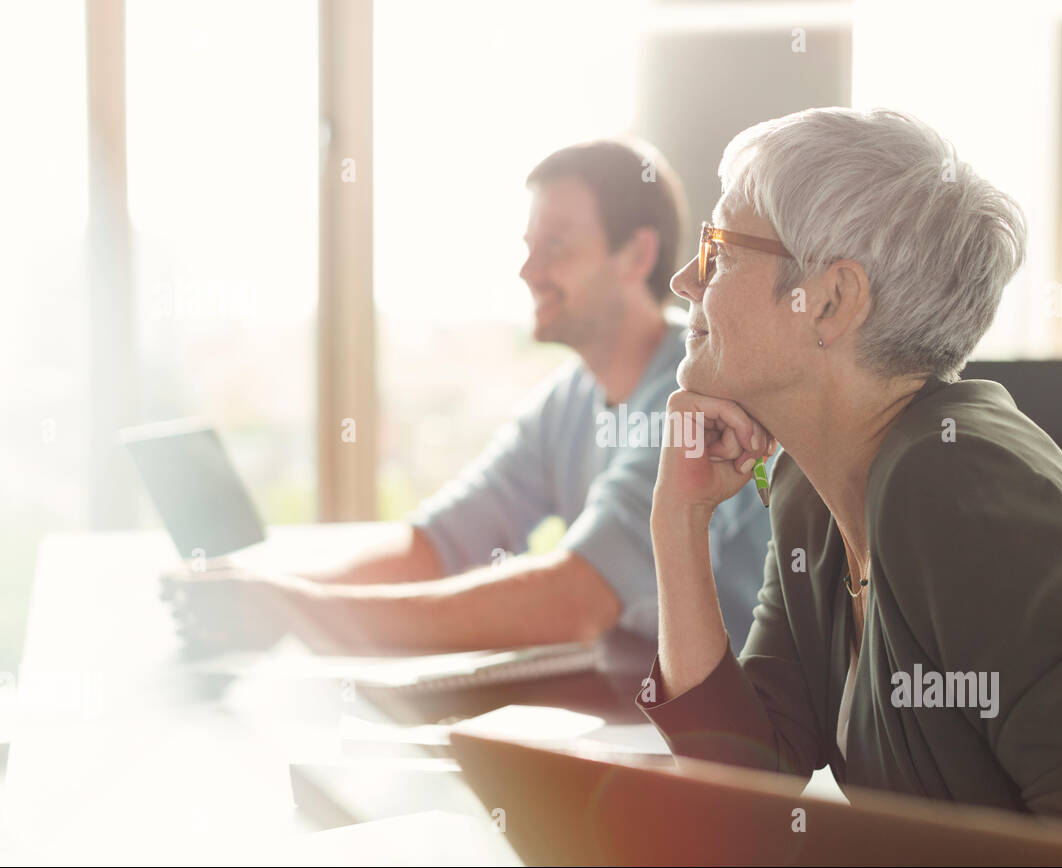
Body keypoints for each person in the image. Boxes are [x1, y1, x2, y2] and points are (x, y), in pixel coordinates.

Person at [639, 106, 1062, 866]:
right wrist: (678, 523)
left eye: (717, 249)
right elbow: (743, 781)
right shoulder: (816, 497)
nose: (685, 280)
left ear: (832, 301)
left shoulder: (954, 482)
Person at [162, 139, 770, 655]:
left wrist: (298, 613)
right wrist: (267, 586)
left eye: (555, 246)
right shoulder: (564, 404)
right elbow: (440, 544)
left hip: (729, 761)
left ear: (635, 255)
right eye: (528, 246)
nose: (528, 271)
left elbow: (576, 599)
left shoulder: (694, 401)